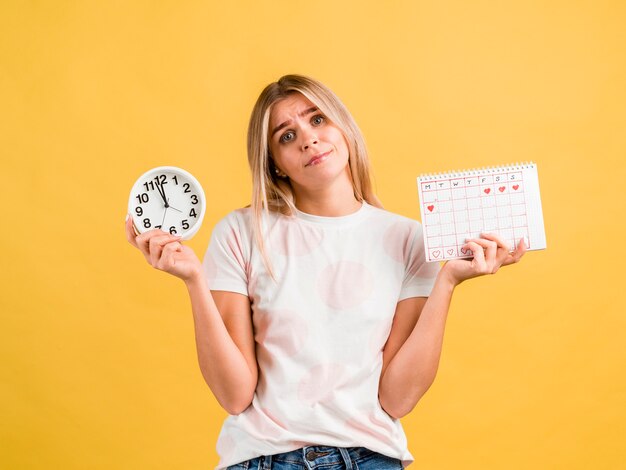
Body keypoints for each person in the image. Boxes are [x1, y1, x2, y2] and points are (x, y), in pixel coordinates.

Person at [125, 74, 526, 470]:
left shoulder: (408, 240)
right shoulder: (240, 233)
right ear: (276, 165)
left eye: (317, 119)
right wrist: (194, 280)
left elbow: (397, 399)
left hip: (372, 459)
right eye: (286, 135)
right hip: (263, 458)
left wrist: (448, 281)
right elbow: (234, 395)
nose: (307, 138)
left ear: (343, 127)